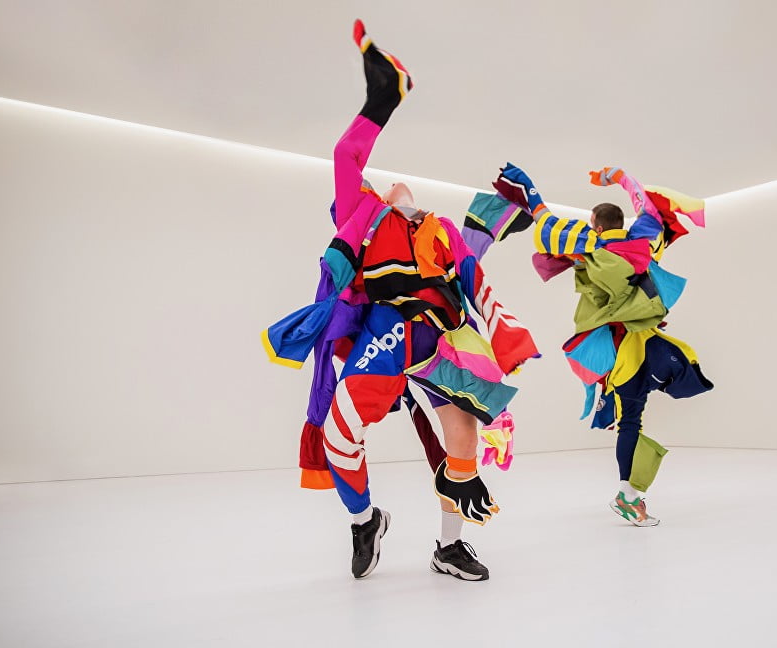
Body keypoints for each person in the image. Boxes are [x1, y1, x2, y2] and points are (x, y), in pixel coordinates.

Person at [264, 21, 537, 580]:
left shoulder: (439, 229)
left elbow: (473, 277)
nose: (398, 188)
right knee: (340, 430)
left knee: (463, 433)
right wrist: (381, 100)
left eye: (404, 190)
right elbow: (347, 154)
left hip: (442, 337)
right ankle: (365, 520)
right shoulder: (362, 216)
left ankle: (449, 546)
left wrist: (506, 333)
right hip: (386, 337)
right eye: (385, 188)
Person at [493, 163, 713, 526]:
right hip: (647, 345)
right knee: (636, 416)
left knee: (630, 422)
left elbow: (543, 218)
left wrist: (526, 186)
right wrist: (620, 178)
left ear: (595, 224)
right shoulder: (642, 239)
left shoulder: (585, 245)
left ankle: (628, 493)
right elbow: (649, 208)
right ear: (619, 222)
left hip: (616, 350)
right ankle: (630, 495)